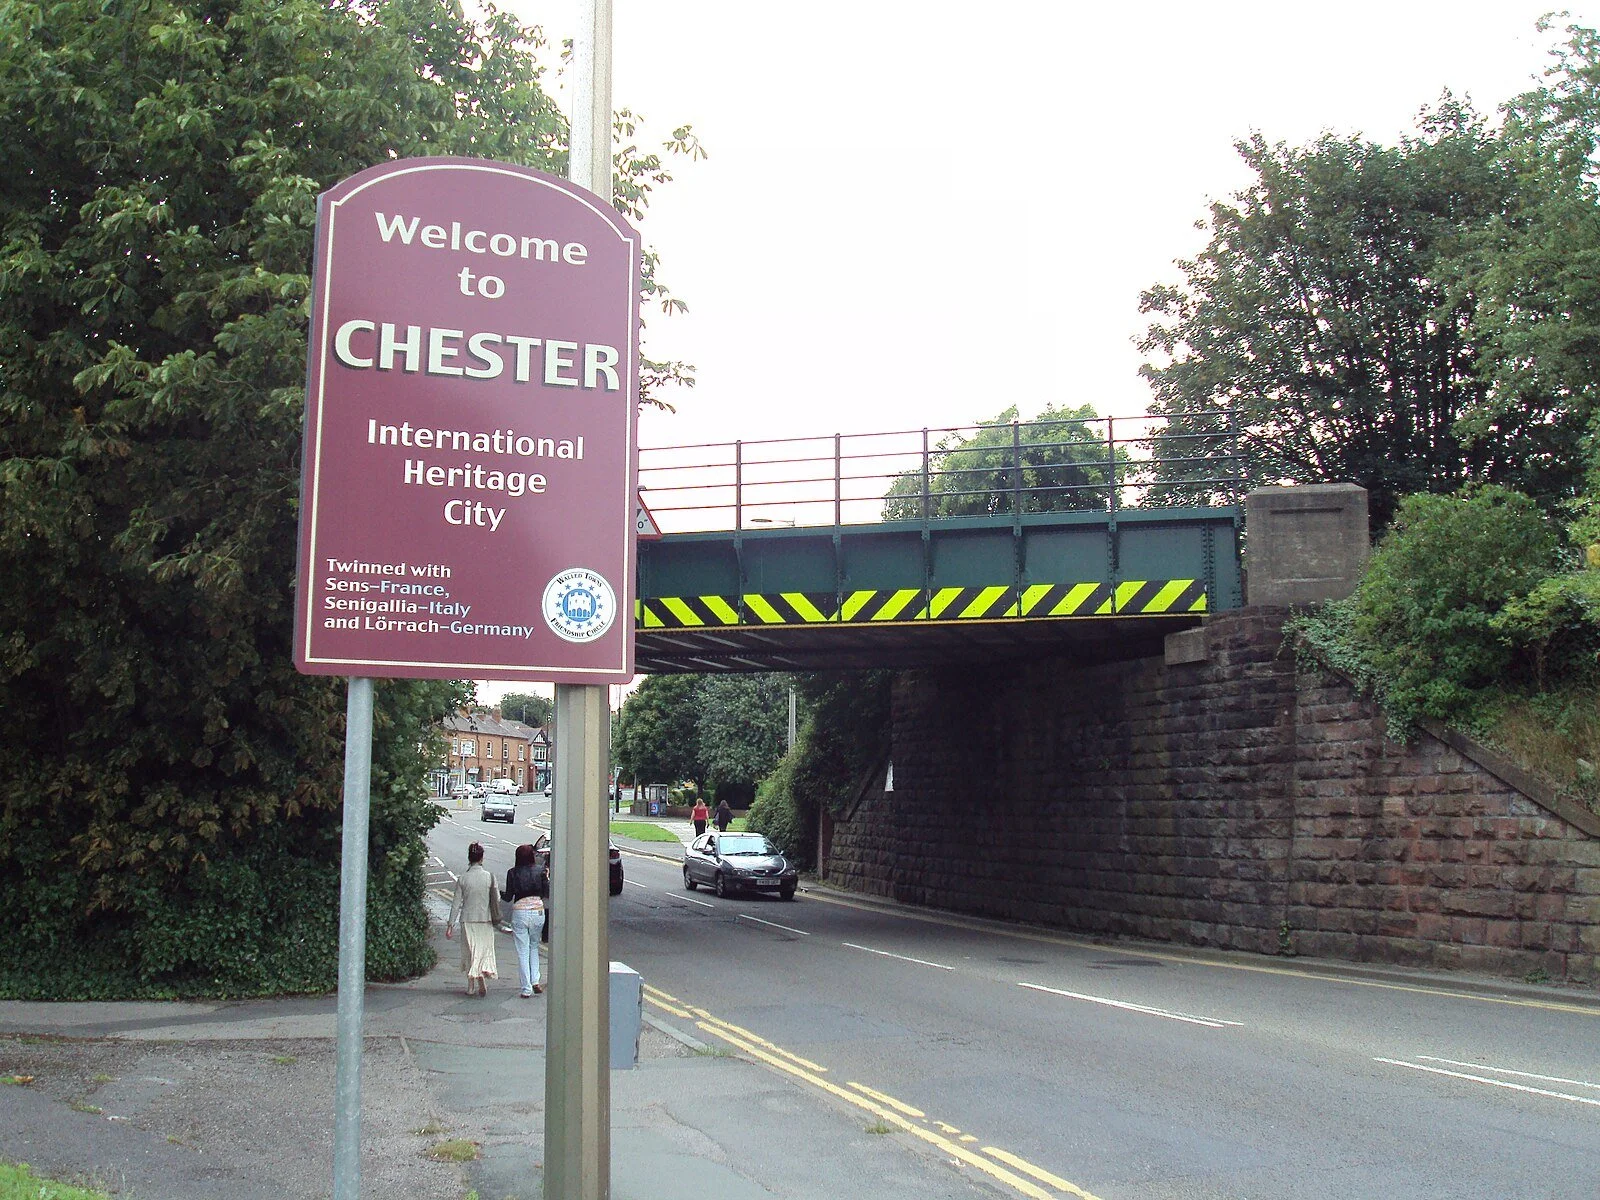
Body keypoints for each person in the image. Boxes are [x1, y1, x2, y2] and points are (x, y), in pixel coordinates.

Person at [445, 842, 501, 996]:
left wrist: (450, 925)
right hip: (485, 919)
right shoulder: (490, 877)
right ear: (482, 858)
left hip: (467, 920)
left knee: (469, 951)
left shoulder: (463, 878)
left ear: (469, 858)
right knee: (483, 950)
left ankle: (470, 986)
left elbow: (456, 904)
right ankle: (481, 975)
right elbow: (497, 898)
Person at [501, 843, 548, 997]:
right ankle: (536, 981)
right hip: (538, 912)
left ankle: (526, 988)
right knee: (534, 946)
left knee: (523, 951)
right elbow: (546, 892)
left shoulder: (512, 873)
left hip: (520, 912)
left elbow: (508, 897)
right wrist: (546, 877)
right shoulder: (540, 871)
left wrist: (496, 891)